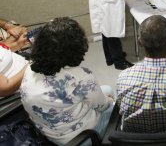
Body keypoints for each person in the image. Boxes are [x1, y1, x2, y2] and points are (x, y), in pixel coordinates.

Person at [20, 17, 114, 145]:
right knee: (115, 105)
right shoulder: (81, 76)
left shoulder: (29, 67)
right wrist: (112, 101)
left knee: (106, 89)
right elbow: (103, 106)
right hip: (80, 137)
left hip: (47, 131)